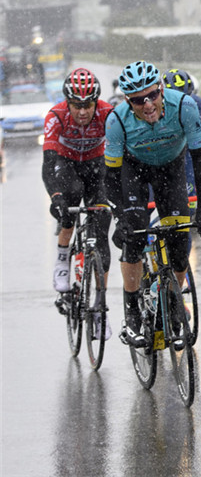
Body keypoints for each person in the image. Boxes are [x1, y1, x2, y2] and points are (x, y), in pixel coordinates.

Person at [105, 60, 201, 347]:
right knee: (135, 231)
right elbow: (112, 177)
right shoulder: (117, 121)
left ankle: (171, 297)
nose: (148, 104)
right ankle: (131, 312)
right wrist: (120, 218)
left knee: (180, 242)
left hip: (171, 169)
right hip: (134, 171)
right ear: (128, 101)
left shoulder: (184, 107)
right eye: (139, 100)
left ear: (161, 88)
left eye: (152, 95)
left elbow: (200, 161)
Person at [42, 68, 114, 340]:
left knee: (102, 233)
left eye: (87, 105)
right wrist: (55, 197)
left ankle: (99, 308)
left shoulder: (107, 114)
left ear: (96, 102)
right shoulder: (56, 117)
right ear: (67, 103)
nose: (83, 112)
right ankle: (62, 259)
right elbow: (48, 165)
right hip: (67, 164)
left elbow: (121, 156)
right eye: (76, 105)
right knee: (69, 200)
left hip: (96, 166)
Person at [162, 69, 201, 211]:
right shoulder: (153, 108)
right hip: (162, 153)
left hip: (189, 154)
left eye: (186, 97)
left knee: (189, 206)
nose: (182, 104)